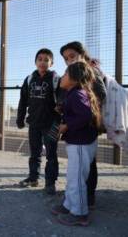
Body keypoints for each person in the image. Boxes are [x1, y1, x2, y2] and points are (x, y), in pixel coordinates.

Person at [51, 61, 101, 226]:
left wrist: (66, 125)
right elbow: (80, 113)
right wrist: (64, 110)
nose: (62, 76)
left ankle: (79, 213)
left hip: (80, 144)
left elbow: (85, 116)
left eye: (65, 74)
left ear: (73, 78)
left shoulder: (77, 94)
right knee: (73, 177)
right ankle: (68, 205)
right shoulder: (75, 93)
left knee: (76, 179)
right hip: (80, 143)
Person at [59, 41, 106, 209]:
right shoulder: (74, 73)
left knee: (87, 166)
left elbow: (101, 94)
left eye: (72, 56)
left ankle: (87, 198)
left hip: (87, 127)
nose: (69, 60)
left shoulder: (90, 71)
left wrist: (83, 104)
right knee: (82, 168)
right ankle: (75, 199)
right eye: (66, 59)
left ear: (82, 54)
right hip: (80, 126)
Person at [16, 48, 60, 195]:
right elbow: (23, 101)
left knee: (51, 155)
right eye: (40, 59)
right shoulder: (29, 79)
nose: (42, 62)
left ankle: (50, 183)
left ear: (51, 63)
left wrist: (60, 121)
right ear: (35, 62)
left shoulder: (55, 79)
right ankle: (33, 178)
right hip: (34, 123)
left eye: (46, 60)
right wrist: (20, 118)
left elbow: (62, 102)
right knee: (34, 153)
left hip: (51, 124)